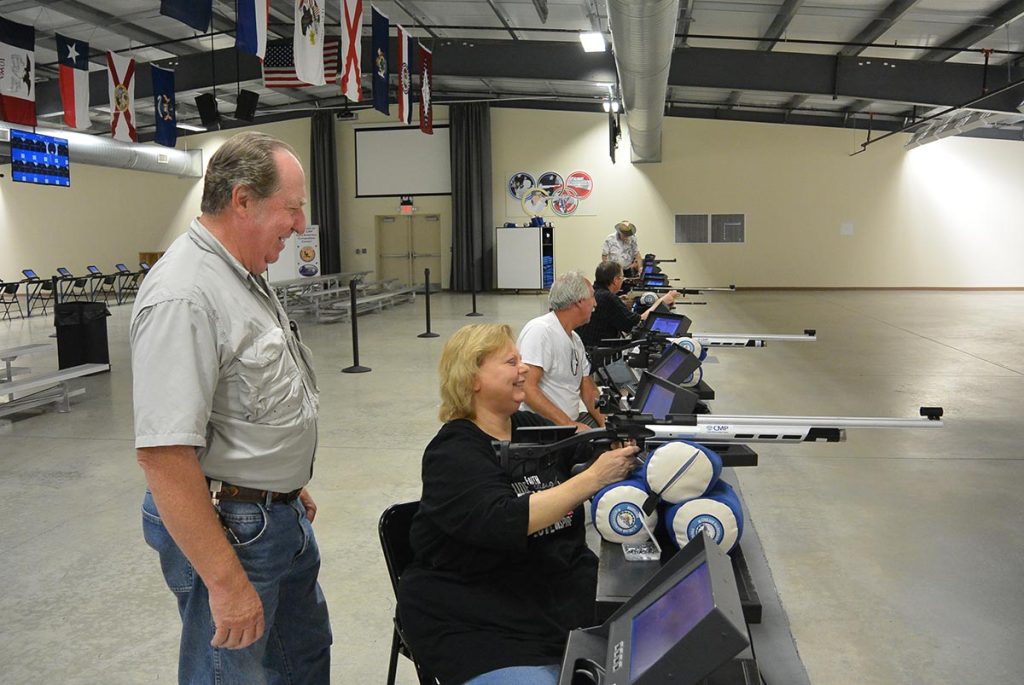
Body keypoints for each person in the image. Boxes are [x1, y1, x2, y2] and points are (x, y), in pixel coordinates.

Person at [131, 132, 331, 683]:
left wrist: (280, 474)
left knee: (302, 660)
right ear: (243, 200)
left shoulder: (242, 275)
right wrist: (225, 582)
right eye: (291, 209)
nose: (298, 226)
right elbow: (165, 456)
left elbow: (248, 399)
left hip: (273, 511)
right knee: (231, 673)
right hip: (233, 529)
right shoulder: (185, 295)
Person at [397, 324, 640, 685]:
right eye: (511, 361)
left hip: (548, 598)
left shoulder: (526, 426)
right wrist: (593, 478)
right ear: (472, 379)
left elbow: (583, 449)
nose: (524, 368)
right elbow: (502, 519)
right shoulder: (453, 452)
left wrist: (611, 447)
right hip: (476, 619)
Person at [517, 270, 603, 430]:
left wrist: (608, 425)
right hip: (546, 428)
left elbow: (587, 387)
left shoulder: (575, 339)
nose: (595, 303)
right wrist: (568, 424)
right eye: (592, 296)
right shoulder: (540, 331)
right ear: (579, 301)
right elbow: (527, 388)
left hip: (568, 423)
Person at [577, 261, 679, 348]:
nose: (623, 281)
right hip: (600, 353)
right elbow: (636, 322)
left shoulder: (594, 292)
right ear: (616, 280)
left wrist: (619, 302)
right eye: (622, 278)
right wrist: (661, 302)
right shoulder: (608, 298)